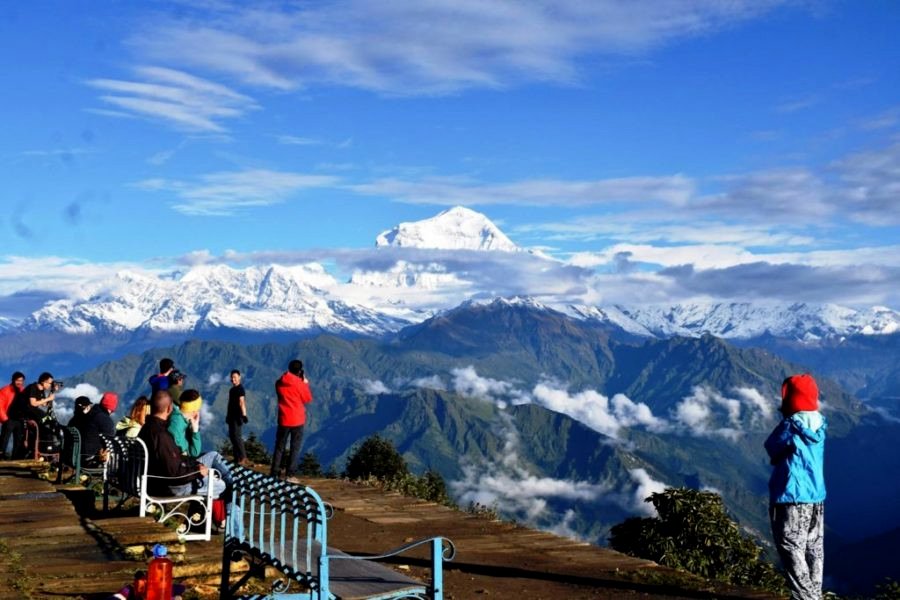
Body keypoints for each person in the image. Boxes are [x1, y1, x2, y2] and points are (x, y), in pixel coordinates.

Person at [765, 373, 827, 600]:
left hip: (791, 495)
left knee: (791, 546)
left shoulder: (791, 425)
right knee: (814, 548)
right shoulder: (821, 423)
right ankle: (814, 594)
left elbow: (772, 446)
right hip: (816, 495)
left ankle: (805, 597)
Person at [138, 389, 223, 499]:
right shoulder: (162, 436)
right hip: (166, 487)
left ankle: (199, 512)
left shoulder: (146, 429)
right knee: (220, 485)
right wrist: (197, 471)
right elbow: (174, 473)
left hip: (153, 481)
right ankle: (202, 513)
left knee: (213, 465)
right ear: (169, 409)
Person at [168, 389, 233, 490]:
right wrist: (197, 467)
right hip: (179, 477)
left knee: (214, 455)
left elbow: (194, 452)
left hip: (184, 467)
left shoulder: (181, 420)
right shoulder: (176, 424)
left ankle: (231, 489)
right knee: (223, 485)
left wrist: (195, 429)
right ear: (194, 410)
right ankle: (231, 495)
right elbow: (179, 456)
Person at [271, 360, 312, 482]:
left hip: (283, 418)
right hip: (297, 420)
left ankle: (274, 473)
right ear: (300, 371)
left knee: (279, 447)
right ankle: (290, 475)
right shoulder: (299, 384)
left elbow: (280, 389)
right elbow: (307, 398)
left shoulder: (279, 383)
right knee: (295, 447)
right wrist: (305, 383)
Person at [8, 372, 56, 459]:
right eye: (50, 383)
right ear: (43, 382)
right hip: (21, 413)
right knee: (44, 419)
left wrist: (52, 392)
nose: (50, 385)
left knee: (47, 421)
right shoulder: (33, 387)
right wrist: (48, 398)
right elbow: (33, 403)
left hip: (30, 411)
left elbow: (44, 404)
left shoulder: (41, 391)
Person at [79, 392, 117, 466]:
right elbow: (110, 441)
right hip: (90, 458)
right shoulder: (105, 419)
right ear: (111, 408)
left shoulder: (89, 413)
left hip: (78, 454)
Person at [0, 371, 25, 459]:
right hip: (9, 419)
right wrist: (5, 419)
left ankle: (15, 460)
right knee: (3, 441)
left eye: (21, 381)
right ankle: (1, 458)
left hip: (20, 420)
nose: (19, 382)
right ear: (13, 380)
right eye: (18, 380)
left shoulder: (23, 391)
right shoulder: (5, 390)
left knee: (18, 442)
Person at [226, 370, 248, 465]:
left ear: (239, 377)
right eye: (232, 377)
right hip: (231, 416)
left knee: (237, 437)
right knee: (232, 437)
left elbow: (242, 402)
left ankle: (243, 457)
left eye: (235, 377)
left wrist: (244, 415)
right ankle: (236, 457)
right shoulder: (232, 390)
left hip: (237, 416)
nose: (233, 379)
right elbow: (230, 404)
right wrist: (227, 415)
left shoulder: (240, 389)